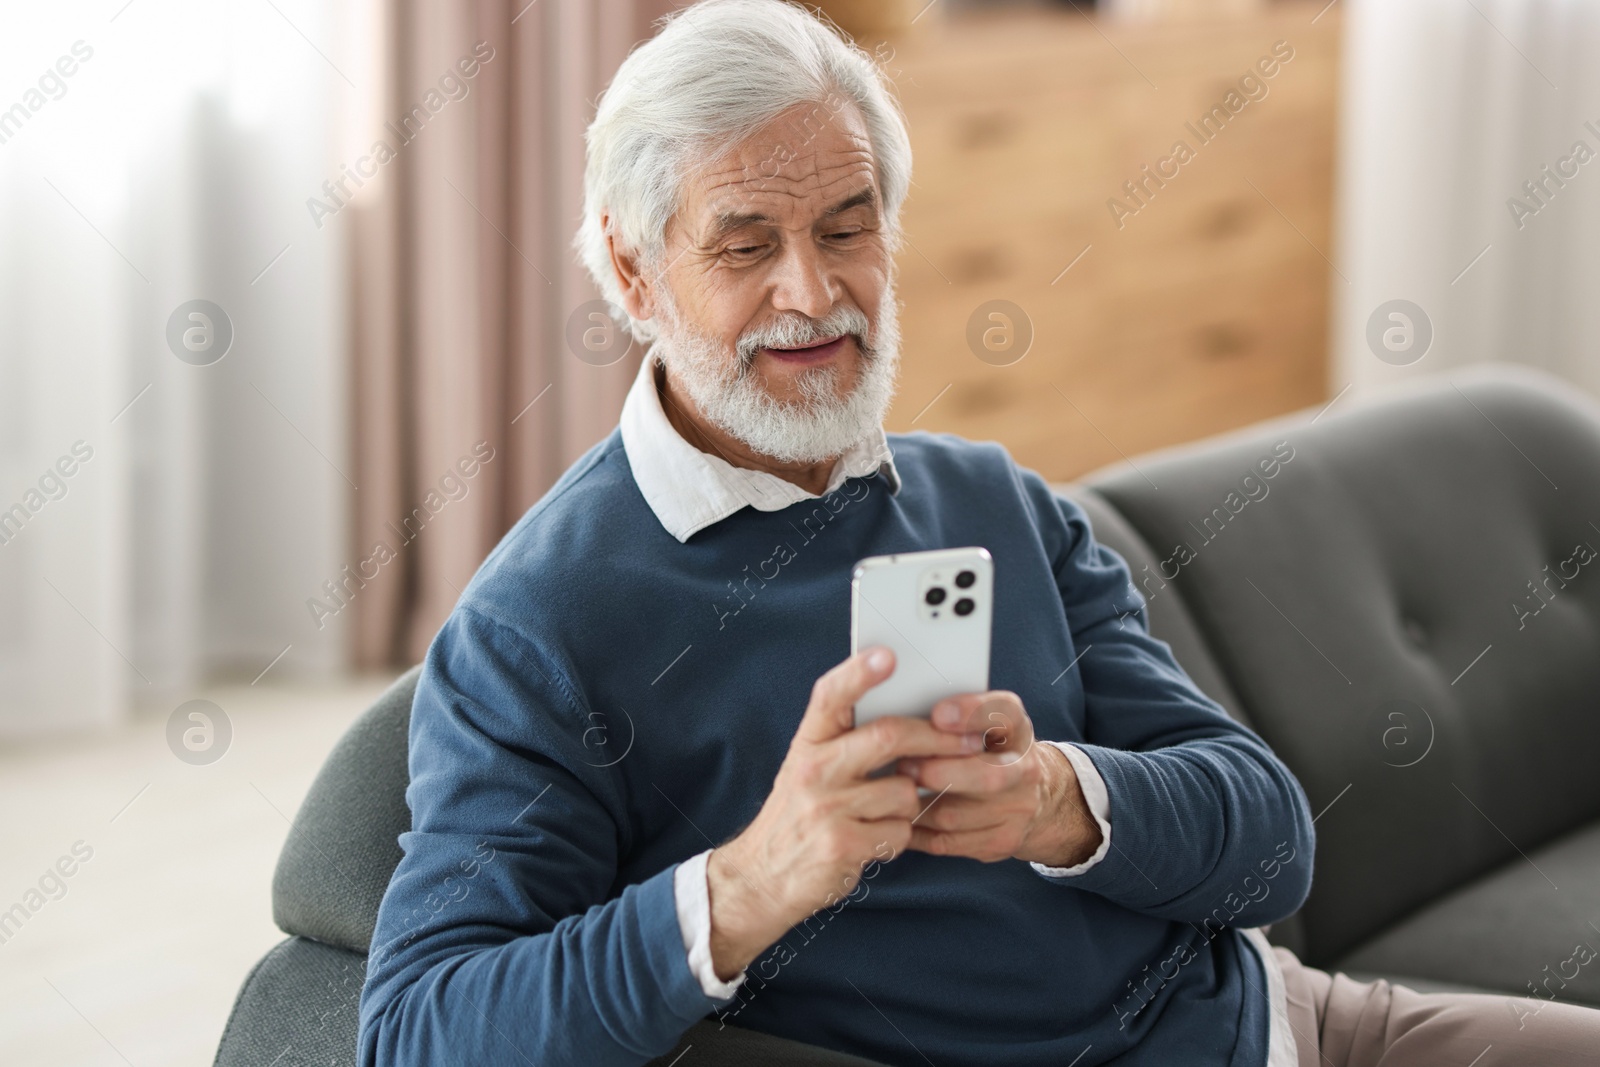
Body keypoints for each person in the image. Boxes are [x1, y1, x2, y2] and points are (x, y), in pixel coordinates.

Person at [357, 2, 1600, 1064]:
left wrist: (1062, 800)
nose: (813, 292)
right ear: (633, 278)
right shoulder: (541, 624)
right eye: (746, 247)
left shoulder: (996, 500)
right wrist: (752, 884)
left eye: (847, 227)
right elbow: (414, 1027)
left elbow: (1270, 843)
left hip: (1293, 1027)